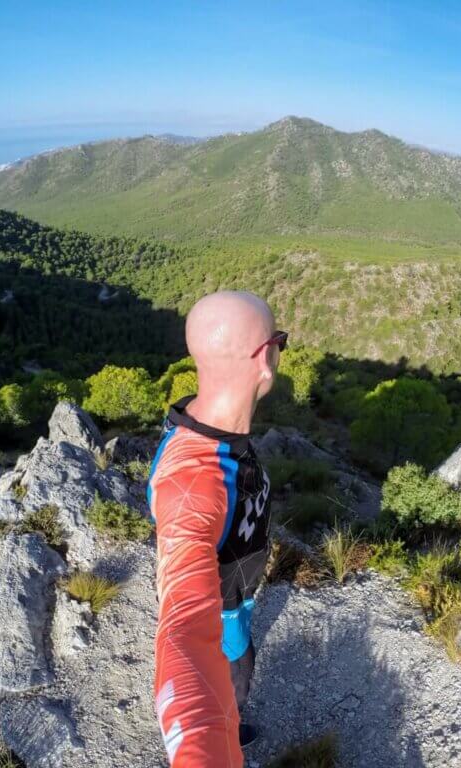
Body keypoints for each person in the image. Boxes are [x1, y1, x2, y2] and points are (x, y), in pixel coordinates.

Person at [148, 291, 286, 767]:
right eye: (279, 341)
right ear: (264, 359)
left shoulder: (197, 424)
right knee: (236, 675)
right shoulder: (196, 481)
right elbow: (182, 631)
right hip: (222, 618)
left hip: (235, 590)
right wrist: (207, 745)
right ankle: (232, 718)